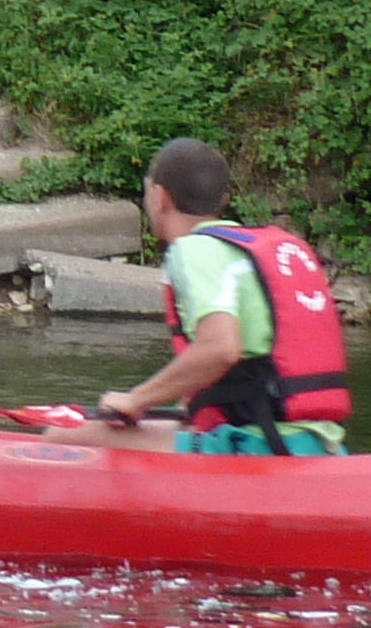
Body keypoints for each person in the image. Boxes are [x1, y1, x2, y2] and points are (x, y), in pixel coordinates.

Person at [85, 137, 350, 454]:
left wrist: (136, 399)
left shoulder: (194, 251)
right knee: (163, 426)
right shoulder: (256, 247)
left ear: (158, 197)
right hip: (317, 444)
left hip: (261, 446)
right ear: (223, 199)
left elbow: (221, 349)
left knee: (65, 438)